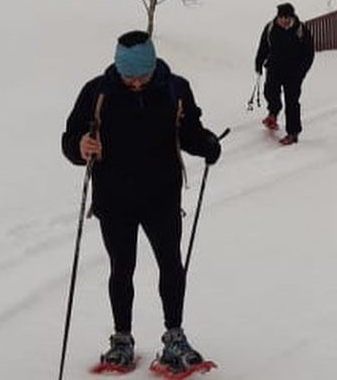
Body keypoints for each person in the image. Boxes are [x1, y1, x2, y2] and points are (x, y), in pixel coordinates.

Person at [61, 30, 222, 372]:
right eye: (128, 76)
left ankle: (174, 337)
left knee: (170, 265)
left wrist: (206, 142)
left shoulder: (175, 89)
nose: (135, 83)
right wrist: (80, 146)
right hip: (114, 199)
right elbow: (70, 137)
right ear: (118, 68)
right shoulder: (97, 92)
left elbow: (189, 130)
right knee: (122, 268)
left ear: (153, 68)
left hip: (161, 195)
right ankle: (122, 340)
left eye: (142, 76)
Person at [254, 2, 315, 145]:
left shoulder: (301, 30)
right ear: (278, 17)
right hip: (274, 68)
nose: (285, 21)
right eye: (282, 17)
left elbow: (309, 53)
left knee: (292, 102)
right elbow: (263, 47)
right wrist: (258, 63)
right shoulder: (270, 28)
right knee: (270, 92)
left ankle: (293, 133)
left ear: (292, 17)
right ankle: (273, 114)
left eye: (287, 17)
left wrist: (301, 72)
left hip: (294, 72)